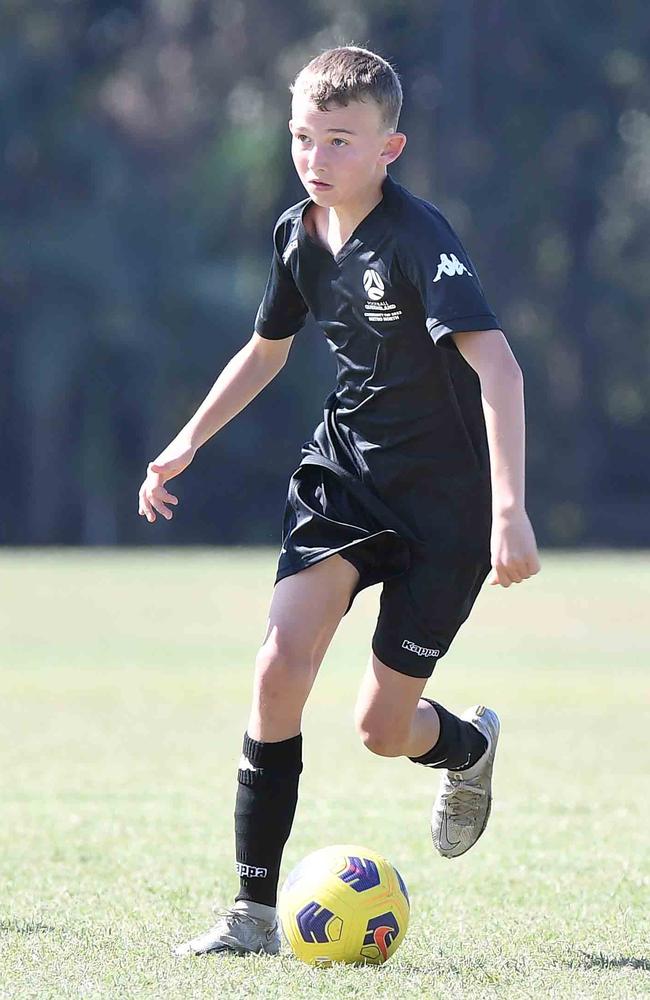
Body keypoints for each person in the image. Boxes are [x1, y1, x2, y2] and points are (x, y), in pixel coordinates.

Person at [138, 45, 540, 958]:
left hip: (445, 511)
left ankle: (465, 748)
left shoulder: (419, 238)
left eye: (340, 140)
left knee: (380, 729)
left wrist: (509, 509)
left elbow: (500, 367)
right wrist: (187, 439)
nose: (316, 158)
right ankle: (249, 914)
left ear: (390, 147)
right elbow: (266, 349)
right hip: (345, 480)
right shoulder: (296, 234)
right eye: (302, 138)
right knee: (280, 665)